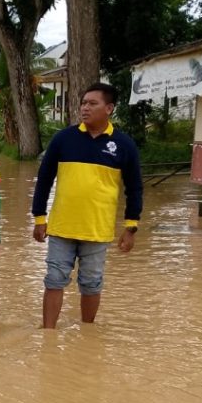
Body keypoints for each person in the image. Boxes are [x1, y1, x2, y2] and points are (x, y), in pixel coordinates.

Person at [30, 83, 142, 329]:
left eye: (92, 103)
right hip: (62, 227)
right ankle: (48, 333)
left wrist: (131, 227)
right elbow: (44, 179)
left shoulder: (124, 145)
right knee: (54, 279)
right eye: (83, 103)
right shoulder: (63, 139)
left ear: (109, 108)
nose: (85, 108)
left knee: (92, 283)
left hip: (97, 230)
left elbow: (134, 188)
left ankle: (87, 332)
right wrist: (39, 218)